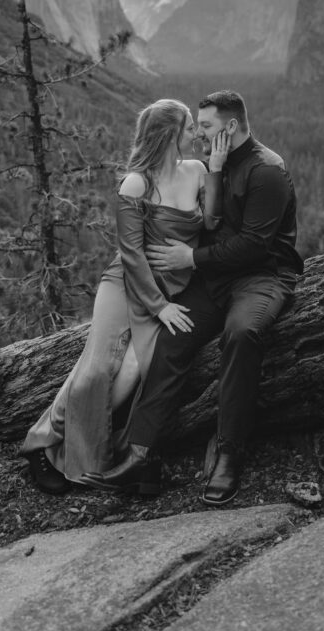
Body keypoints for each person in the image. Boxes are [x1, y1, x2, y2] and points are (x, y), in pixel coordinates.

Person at [82, 89, 304, 505]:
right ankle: (141, 456)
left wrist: (190, 257)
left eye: (205, 126)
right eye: (196, 127)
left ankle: (229, 453)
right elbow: (205, 217)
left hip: (262, 278)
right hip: (214, 280)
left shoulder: (267, 170)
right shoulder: (210, 166)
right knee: (172, 337)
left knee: (241, 334)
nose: (199, 134)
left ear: (231, 126)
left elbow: (256, 244)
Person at [20, 98, 228, 495]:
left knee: (134, 371)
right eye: (189, 128)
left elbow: (213, 221)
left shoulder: (198, 171)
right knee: (99, 367)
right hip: (126, 285)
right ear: (169, 134)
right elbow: (131, 254)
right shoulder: (137, 182)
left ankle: (104, 448)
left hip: (175, 286)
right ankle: (42, 443)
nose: (195, 134)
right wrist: (160, 306)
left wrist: (216, 171)